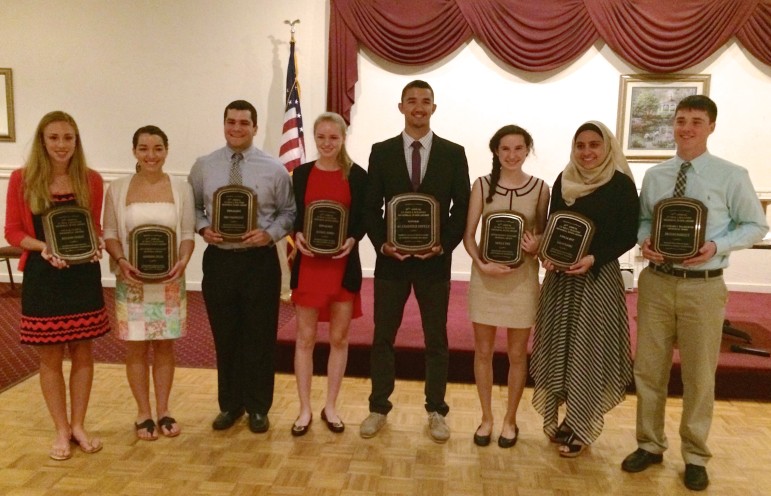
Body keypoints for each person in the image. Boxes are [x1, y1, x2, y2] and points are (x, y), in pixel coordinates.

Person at [622, 95, 767, 491]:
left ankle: (695, 455)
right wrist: (644, 240)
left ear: (711, 126)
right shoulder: (656, 176)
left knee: (699, 376)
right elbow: (643, 219)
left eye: (696, 121)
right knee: (648, 369)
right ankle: (649, 444)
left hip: (703, 287)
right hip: (656, 282)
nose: (686, 127)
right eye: (681, 119)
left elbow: (755, 225)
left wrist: (716, 246)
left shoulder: (731, 175)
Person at [361, 80, 470, 443]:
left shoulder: (454, 153)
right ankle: (379, 407)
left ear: (434, 108)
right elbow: (370, 206)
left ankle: (436, 410)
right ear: (401, 107)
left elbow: (463, 208)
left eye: (425, 101)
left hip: (434, 263)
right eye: (412, 101)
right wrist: (382, 244)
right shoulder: (382, 151)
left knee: (436, 339)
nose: (418, 107)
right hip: (391, 263)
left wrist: (443, 245)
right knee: (382, 338)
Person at [4, 111, 109, 460]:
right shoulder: (22, 180)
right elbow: (14, 233)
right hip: (43, 276)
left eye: (68, 138)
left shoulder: (91, 180)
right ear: (42, 141)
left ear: (76, 142)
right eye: (54, 138)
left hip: (81, 276)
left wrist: (97, 244)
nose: (61, 145)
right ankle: (61, 430)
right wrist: (43, 248)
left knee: (83, 353)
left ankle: (79, 425)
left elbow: (92, 226)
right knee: (49, 358)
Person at [530, 121, 638, 458]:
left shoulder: (620, 185)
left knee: (588, 353)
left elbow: (627, 235)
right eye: (581, 145)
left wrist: (594, 258)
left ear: (608, 147)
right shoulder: (564, 180)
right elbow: (554, 226)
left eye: (594, 145)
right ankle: (567, 418)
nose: (587, 152)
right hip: (562, 281)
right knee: (561, 349)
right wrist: (547, 256)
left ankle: (581, 425)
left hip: (596, 279)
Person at [188, 100, 296, 433]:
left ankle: (258, 407)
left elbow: (288, 213)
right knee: (226, 336)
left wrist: (269, 235)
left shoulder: (274, 168)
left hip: (259, 262)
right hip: (220, 260)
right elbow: (192, 209)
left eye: (244, 123)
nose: (237, 128)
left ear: (255, 127)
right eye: (231, 122)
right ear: (224, 124)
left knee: (260, 337)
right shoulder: (204, 166)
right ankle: (230, 405)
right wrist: (203, 228)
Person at [103, 125, 195, 440]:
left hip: (169, 280)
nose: (151, 155)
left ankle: (165, 410)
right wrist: (122, 261)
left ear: (166, 151)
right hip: (132, 281)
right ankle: (143, 413)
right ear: (134, 152)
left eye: (157, 148)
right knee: (137, 348)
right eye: (144, 148)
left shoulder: (181, 189)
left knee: (166, 346)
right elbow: (110, 233)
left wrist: (183, 262)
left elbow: (186, 233)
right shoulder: (116, 188)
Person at [462, 125, 549, 448]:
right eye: (505, 149)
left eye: (518, 148)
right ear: (496, 152)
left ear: (528, 150)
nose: (512, 155)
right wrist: (481, 263)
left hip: (522, 280)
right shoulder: (482, 186)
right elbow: (469, 235)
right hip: (486, 278)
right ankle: (486, 418)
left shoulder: (541, 189)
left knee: (516, 354)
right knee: (483, 351)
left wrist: (535, 245)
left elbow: (541, 236)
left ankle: (510, 420)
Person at [289, 112, 368, 436]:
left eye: (333, 138)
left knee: (339, 338)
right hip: (309, 267)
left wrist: (352, 238)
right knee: (305, 339)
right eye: (321, 137)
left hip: (341, 266)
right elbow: (293, 214)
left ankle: (330, 406)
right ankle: (305, 408)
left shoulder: (358, 176)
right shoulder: (301, 174)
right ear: (315, 139)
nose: (326, 143)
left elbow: (362, 219)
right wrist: (299, 234)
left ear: (343, 138)